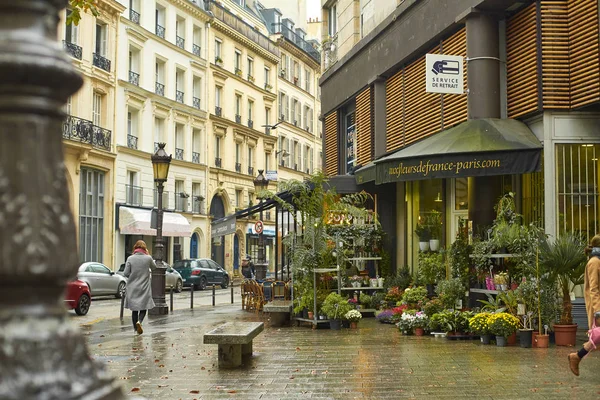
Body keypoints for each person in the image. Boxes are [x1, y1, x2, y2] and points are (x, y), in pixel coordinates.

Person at [568, 234, 600, 376]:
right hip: (598, 307)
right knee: (597, 336)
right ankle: (577, 356)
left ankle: (577, 356)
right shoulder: (594, 262)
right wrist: (598, 311)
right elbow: (593, 288)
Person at [124, 240, 156, 335]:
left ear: (135, 247)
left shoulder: (130, 258)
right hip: (144, 286)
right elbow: (154, 267)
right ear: (144, 248)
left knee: (134, 309)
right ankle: (140, 322)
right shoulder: (148, 258)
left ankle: (135, 329)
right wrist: (149, 255)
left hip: (132, 287)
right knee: (143, 307)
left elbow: (126, 273)